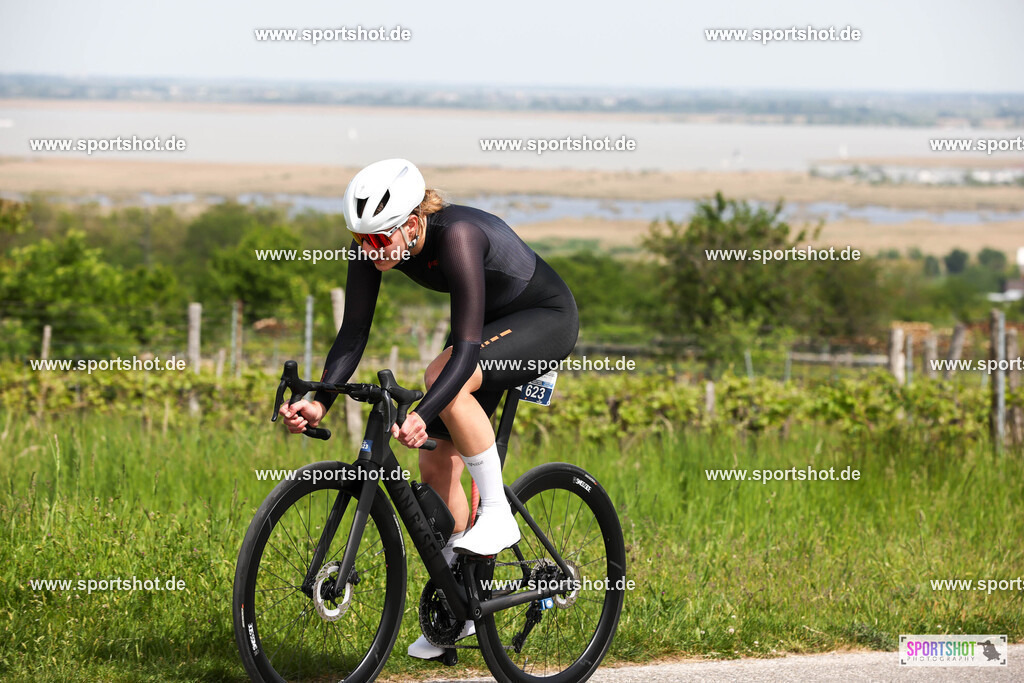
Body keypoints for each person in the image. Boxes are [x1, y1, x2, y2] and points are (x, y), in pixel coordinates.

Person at [278, 158, 579, 660]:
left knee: (440, 378)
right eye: (360, 240)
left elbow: (461, 355)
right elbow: (352, 336)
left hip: (542, 319)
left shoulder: (457, 235)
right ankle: (461, 601)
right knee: (436, 458)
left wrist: (421, 410)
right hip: (486, 325)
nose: (368, 251)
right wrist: (318, 401)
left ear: (415, 222)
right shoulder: (372, 248)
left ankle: (500, 515)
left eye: (378, 240)